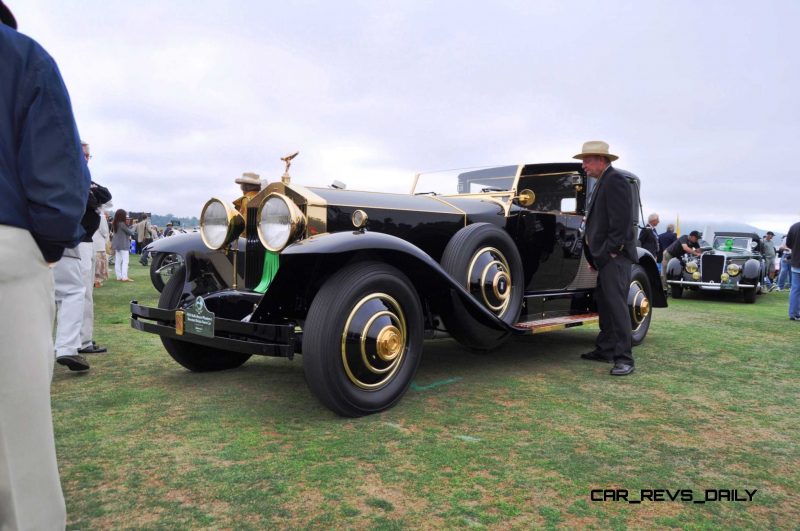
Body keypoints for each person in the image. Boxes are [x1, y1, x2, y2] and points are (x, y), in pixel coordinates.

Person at [0, 2, 89, 527]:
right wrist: (49, 245)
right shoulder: (24, 58)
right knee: (17, 436)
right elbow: (59, 182)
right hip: (8, 250)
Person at [576, 141, 637, 376]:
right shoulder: (602, 182)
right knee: (605, 302)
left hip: (615, 256)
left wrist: (611, 250)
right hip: (605, 257)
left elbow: (621, 221)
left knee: (617, 306)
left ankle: (625, 359)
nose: (584, 166)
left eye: (587, 160)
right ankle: (606, 349)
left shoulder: (616, 181)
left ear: (602, 160)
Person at [75, 141, 110, 355]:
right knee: (78, 293)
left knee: (84, 293)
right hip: (76, 242)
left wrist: (95, 196)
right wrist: (94, 198)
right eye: (84, 155)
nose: (87, 159)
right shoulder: (72, 177)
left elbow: (105, 194)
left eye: (89, 156)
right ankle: (77, 342)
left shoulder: (84, 177)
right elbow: (90, 201)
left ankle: (82, 338)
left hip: (85, 242)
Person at [112, 209, 136, 281]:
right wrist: (134, 226)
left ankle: (119, 277)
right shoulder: (122, 224)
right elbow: (130, 232)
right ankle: (125, 277)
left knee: (118, 261)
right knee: (125, 261)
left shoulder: (115, 223)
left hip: (117, 245)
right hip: (123, 245)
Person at [93, 203, 111, 287]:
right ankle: (97, 281)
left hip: (92, 241)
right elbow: (104, 230)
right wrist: (107, 237)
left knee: (94, 263)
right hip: (99, 242)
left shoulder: (91, 213)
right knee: (99, 263)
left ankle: (93, 280)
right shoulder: (101, 216)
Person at [786, 221, 800, 321]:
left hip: (796, 262)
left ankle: (793, 314)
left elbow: (789, 244)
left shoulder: (794, 226)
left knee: (795, 289)